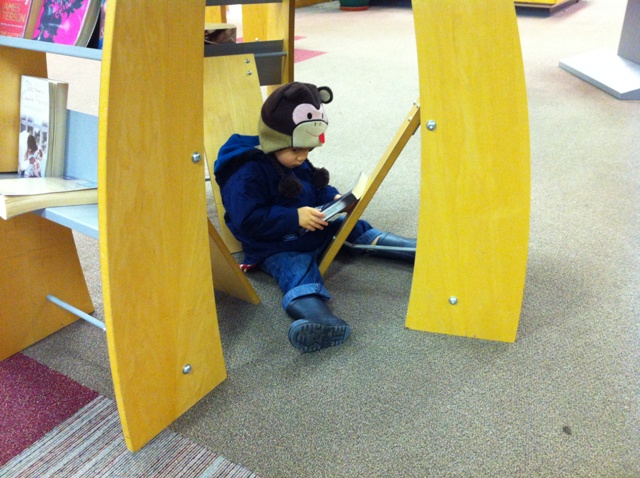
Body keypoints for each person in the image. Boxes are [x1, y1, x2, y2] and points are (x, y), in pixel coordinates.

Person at [215, 82, 416, 353]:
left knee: (353, 227)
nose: (303, 157)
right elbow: (246, 220)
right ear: (275, 141)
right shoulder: (246, 172)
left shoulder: (294, 157)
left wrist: (335, 199)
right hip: (275, 245)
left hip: (314, 225)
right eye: (297, 151)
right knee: (298, 269)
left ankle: (412, 249)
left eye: (308, 151)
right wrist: (293, 217)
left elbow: (315, 184)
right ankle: (318, 320)